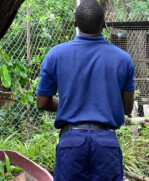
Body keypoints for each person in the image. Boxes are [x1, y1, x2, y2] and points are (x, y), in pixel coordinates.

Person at [36, 0, 135, 180]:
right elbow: (127, 108)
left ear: (75, 23)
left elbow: (42, 103)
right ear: (104, 23)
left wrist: (73, 105)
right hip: (106, 142)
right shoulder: (123, 59)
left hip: (71, 142)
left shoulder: (56, 54)